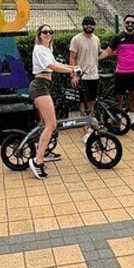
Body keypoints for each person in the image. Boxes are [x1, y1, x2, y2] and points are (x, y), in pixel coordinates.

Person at [28, 25, 81, 180]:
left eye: (50, 32)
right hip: (39, 86)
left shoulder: (47, 50)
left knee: (46, 125)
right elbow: (52, 66)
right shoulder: (38, 49)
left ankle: (43, 151)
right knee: (51, 124)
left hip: (44, 86)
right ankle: (37, 161)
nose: (48, 34)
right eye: (44, 32)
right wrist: (71, 70)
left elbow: (57, 63)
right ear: (39, 35)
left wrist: (73, 67)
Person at [69, 16, 100, 142]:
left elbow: (98, 54)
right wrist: (73, 75)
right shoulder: (76, 39)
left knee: (92, 102)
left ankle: (90, 127)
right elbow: (72, 58)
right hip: (82, 77)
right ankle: (85, 131)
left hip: (94, 76)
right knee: (83, 104)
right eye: (86, 24)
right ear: (82, 25)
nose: (89, 26)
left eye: (91, 24)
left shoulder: (97, 39)